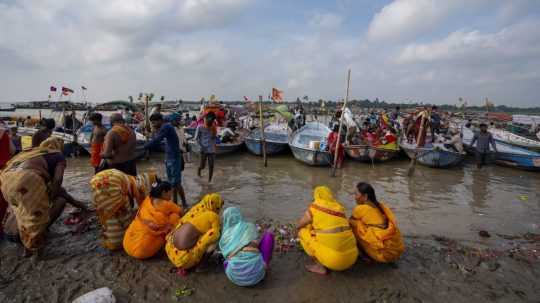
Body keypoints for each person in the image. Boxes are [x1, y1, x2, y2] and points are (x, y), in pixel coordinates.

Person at [0, 138, 88, 257]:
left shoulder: (31, 152)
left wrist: (81, 205)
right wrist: (51, 198)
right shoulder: (57, 155)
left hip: (5, 180)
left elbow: (61, 191)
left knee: (22, 211)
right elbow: (58, 181)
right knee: (38, 218)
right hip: (27, 179)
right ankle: (37, 254)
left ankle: (26, 247)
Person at [297, 186, 359, 275]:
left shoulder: (315, 206)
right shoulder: (339, 208)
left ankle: (319, 266)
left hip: (335, 261)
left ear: (316, 195)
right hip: (353, 258)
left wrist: (296, 229)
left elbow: (301, 224)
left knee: (302, 231)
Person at [90, 168, 156, 250]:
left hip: (97, 181)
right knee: (122, 215)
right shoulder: (142, 185)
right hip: (111, 183)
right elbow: (142, 207)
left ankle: (110, 239)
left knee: (106, 212)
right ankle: (120, 241)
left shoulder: (135, 179)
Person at [123, 181, 183, 259]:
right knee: (175, 217)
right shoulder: (167, 204)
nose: (171, 195)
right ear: (164, 192)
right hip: (142, 251)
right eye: (170, 192)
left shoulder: (147, 200)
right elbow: (182, 212)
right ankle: (169, 241)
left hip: (127, 244)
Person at [349, 182, 404, 263]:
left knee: (353, 224)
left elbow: (349, 221)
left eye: (356, 194)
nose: (355, 197)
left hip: (383, 255)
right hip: (396, 250)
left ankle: (362, 254)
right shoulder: (381, 206)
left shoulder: (360, 208)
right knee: (363, 224)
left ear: (365, 196)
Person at [165, 193, 223, 270]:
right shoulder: (213, 216)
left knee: (198, 231)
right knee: (217, 235)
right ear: (216, 206)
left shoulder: (196, 210)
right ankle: (202, 265)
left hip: (170, 250)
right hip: (183, 260)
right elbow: (214, 235)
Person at [219, 207, 274, 287]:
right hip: (257, 274)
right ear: (239, 215)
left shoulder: (225, 236)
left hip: (233, 276)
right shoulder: (249, 226)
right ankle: (265, 267)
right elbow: (256, 244)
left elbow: (225, 255)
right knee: (269, 235)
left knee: (228, 259)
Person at [144, 113, 187, 207]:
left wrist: (145, 146)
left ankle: (184, 203)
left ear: (160, 120)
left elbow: (157, 140)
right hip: (169, 158)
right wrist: (151, 133)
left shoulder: (166, 127)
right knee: (173, 183)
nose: (153, 125)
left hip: (174, 158)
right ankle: (175, 203)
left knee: (177, 183)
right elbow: (158, 139)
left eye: (154, 123)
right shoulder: (165, 127)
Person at [195, 112, 217, 183]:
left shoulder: (214, 127)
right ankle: (199, 171)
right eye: (208, 120)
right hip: (203, 149)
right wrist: (201, 146)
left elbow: (214, 138)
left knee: (211, 165)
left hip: (211, 149)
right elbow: (196, 139)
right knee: (202, 166)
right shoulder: (200, 127)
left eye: (212, 121)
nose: (210, 122)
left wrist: (213, 130)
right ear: (205, 119)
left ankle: (209, 181)